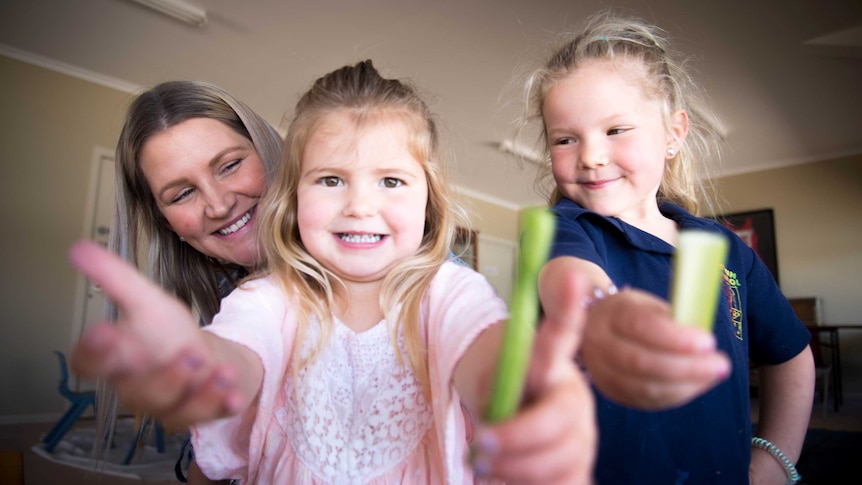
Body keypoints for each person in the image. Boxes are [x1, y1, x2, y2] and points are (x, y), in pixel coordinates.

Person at [69, 60, 597, 484]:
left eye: (391, 181)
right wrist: (196, 362)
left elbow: (484, 350)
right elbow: (236, 356)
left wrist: (527, 393)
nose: (360, 205)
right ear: (295, 192)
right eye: (330, 181)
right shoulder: (267, 298)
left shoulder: (448, 287)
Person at [521, 11, 815, 485]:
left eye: (616, 130)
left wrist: (775, 460)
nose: (591, 155)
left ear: (674, 134)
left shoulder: (725, 251)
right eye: (565, 139)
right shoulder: (565, 228)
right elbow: (568, 279)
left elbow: (791, 353)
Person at [98, 79, 284, 484]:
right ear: (166, 223)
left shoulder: (394, 270)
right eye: (182, 194)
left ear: (270, 155)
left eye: (230, 165)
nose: (218, 205)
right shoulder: (225, 302)